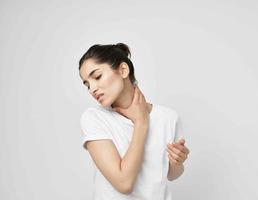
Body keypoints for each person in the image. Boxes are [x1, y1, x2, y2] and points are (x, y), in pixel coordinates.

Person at [78, 43, 190, 200]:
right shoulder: (94, 118)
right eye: (87, 84)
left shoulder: (168, 118)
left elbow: (170, 175)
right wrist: (141, 123)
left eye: (97, 77)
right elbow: (124, 184)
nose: (92, 89)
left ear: (123, 70)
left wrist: (177, 162)